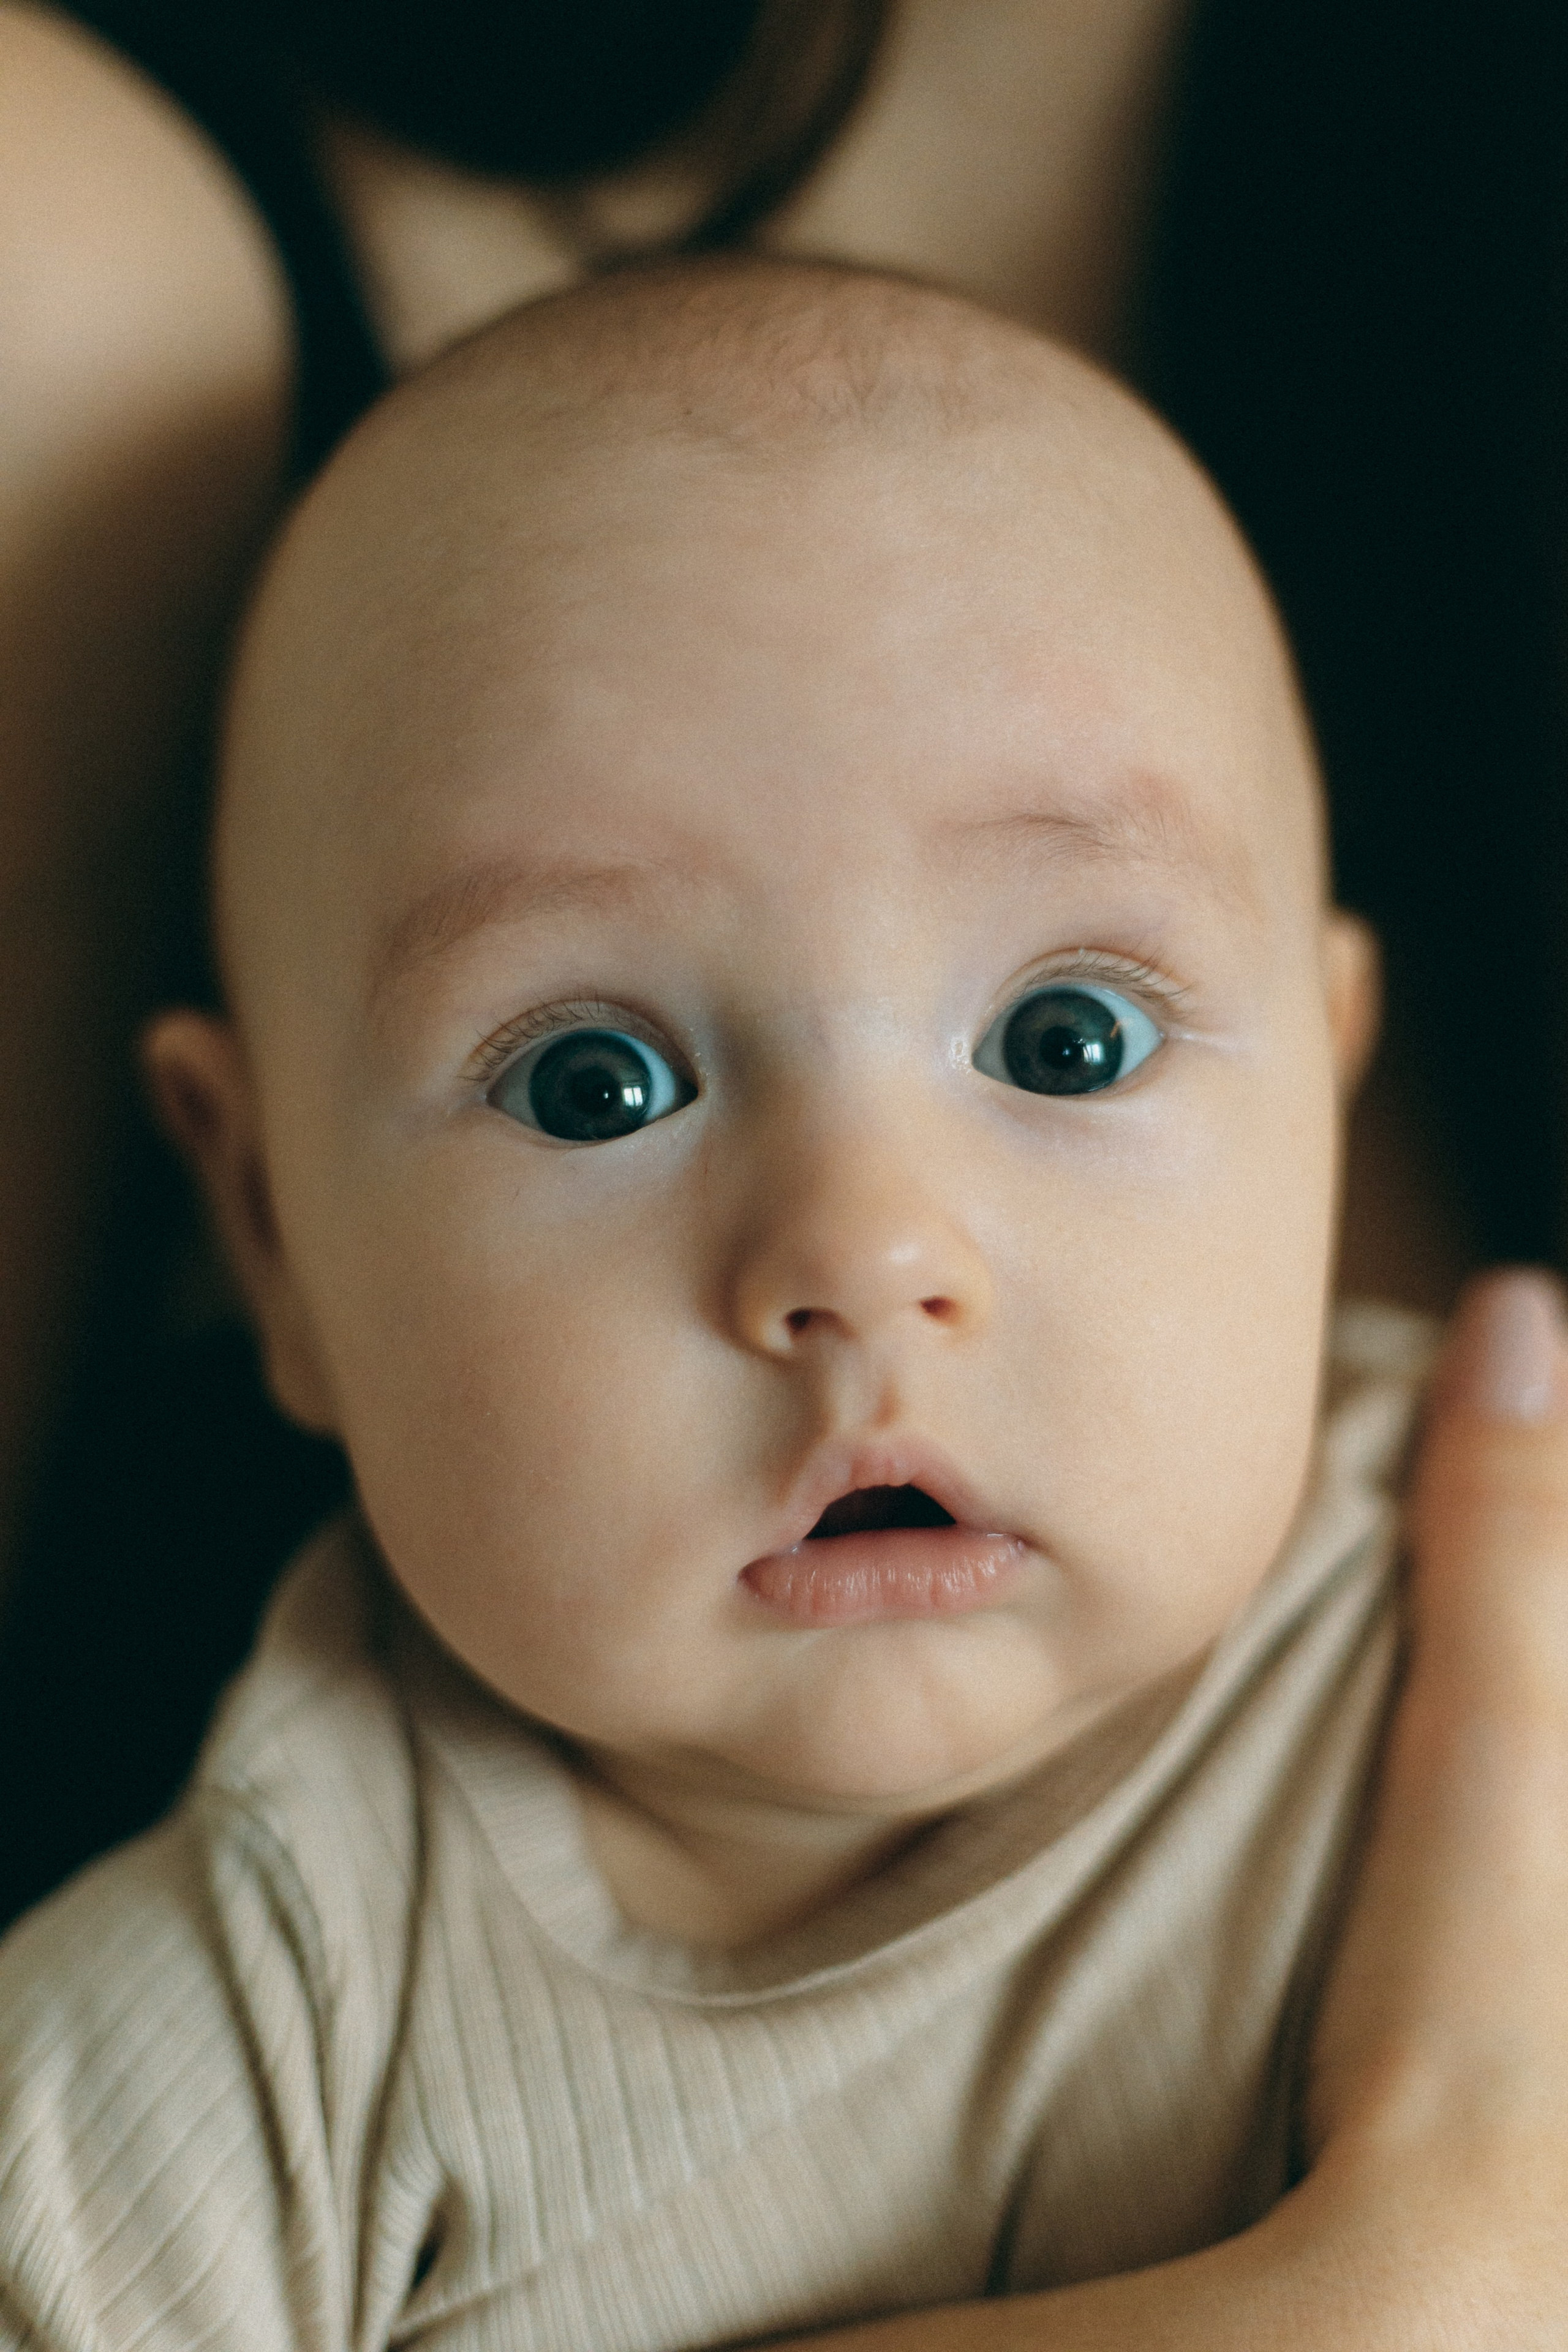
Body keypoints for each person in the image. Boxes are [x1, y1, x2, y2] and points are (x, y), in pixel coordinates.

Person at [4, 255, 1566, 2348]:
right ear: (273, 1230)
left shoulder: (1491, 1667)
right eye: (596, 1083)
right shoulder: (223, 2074)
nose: (862, 1255)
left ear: (1329, 1077)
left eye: (1070, 1039)